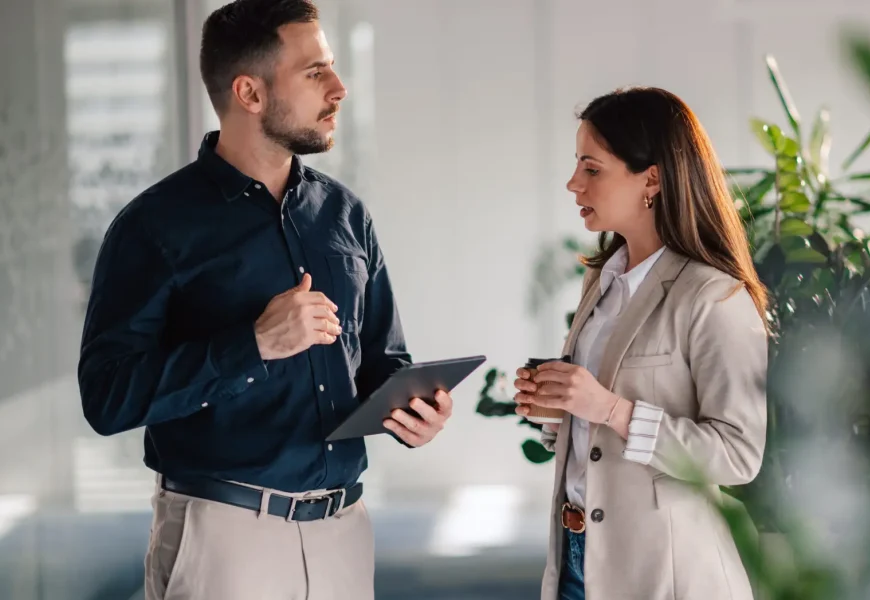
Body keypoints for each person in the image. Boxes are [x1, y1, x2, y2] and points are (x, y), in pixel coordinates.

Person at [76, 1, 451, 598]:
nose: (339, 87)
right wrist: (251, 345)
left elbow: (383, 362)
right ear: (249, 93)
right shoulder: (155, 226)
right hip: (224, 542)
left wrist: (413, 412)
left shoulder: (344, 213)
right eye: (314, 72)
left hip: (345, 535)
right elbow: (107, 397)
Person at [513, 87, 770, 600]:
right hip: (574, 556)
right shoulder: (602, 283)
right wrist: (554, 410)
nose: (573, 183)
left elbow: (738, 455)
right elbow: (594, 437)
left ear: (651, 177)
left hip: (663, 573)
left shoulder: (714, 295)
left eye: (592, 169)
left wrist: (611, 409)